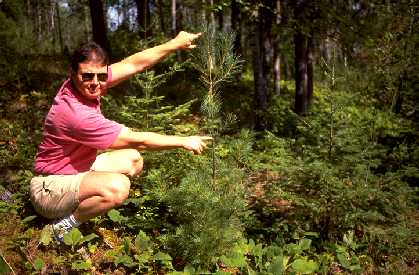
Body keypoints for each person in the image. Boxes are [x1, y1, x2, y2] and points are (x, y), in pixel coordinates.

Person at [30, 31, 211, 243]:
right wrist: (183, 141)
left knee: (132, 159)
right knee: (118, 187)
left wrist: (174, 44)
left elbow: (134, 64)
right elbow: (139, 140)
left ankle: (85, 207)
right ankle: (60, 228)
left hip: (74, 171)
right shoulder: (75, 115)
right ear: (72, 73)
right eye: (87, 76)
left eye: (102, 76)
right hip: (48, 190)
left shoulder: (87, 83)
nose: (96, 83)